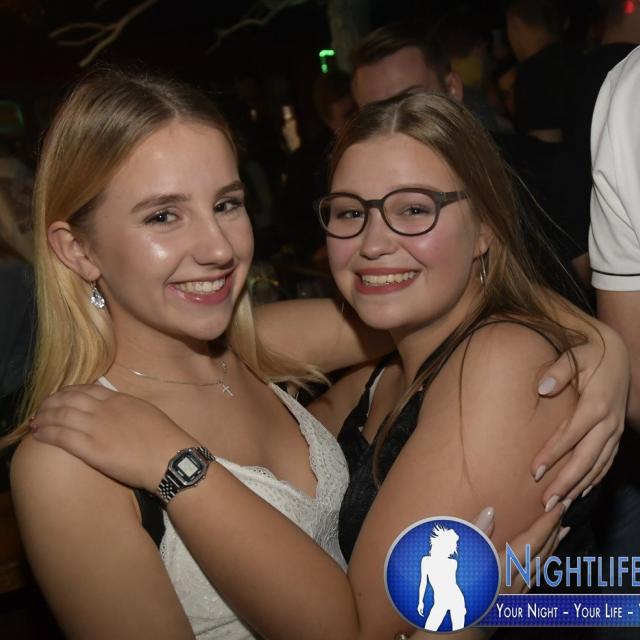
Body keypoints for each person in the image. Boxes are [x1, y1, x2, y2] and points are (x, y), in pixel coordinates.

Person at [23, 89, 628, 640]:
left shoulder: (247, 352)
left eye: (227, 204)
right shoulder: (70, 459)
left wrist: (603, 340)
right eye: (163, 215)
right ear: (77, 248)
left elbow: (451, 295)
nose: (218, 247)